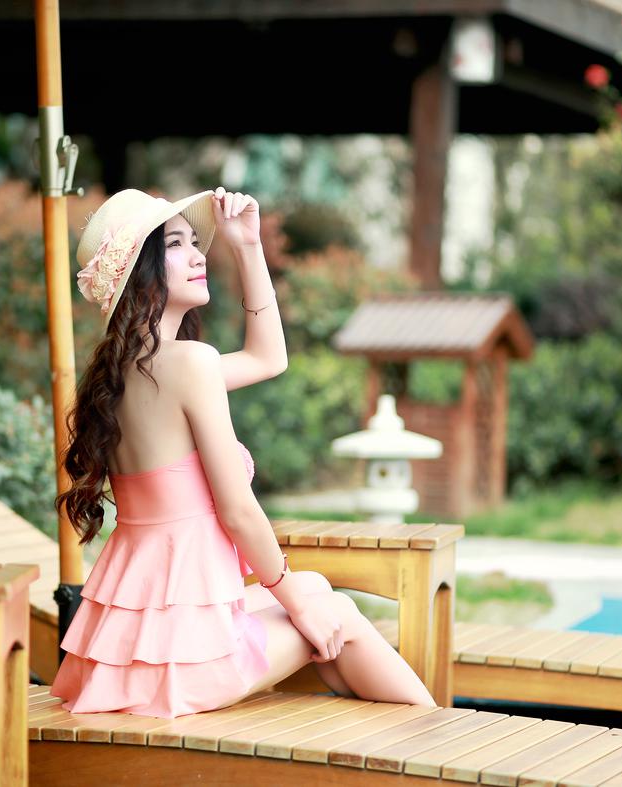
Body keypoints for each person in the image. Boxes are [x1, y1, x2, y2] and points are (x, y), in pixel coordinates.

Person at [48, 185, 437, 718]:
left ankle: (383, 732)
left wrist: (248, 246)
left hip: (135, 646)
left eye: (195, 242)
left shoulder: (119, 373)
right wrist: (299, 605)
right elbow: (237, 511)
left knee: (315, 588)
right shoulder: (189, 364)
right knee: (334, 611)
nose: (197, 255)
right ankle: (435, 732)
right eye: (176, 245)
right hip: (179, 662)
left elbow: (268, 357)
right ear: (140, 272)